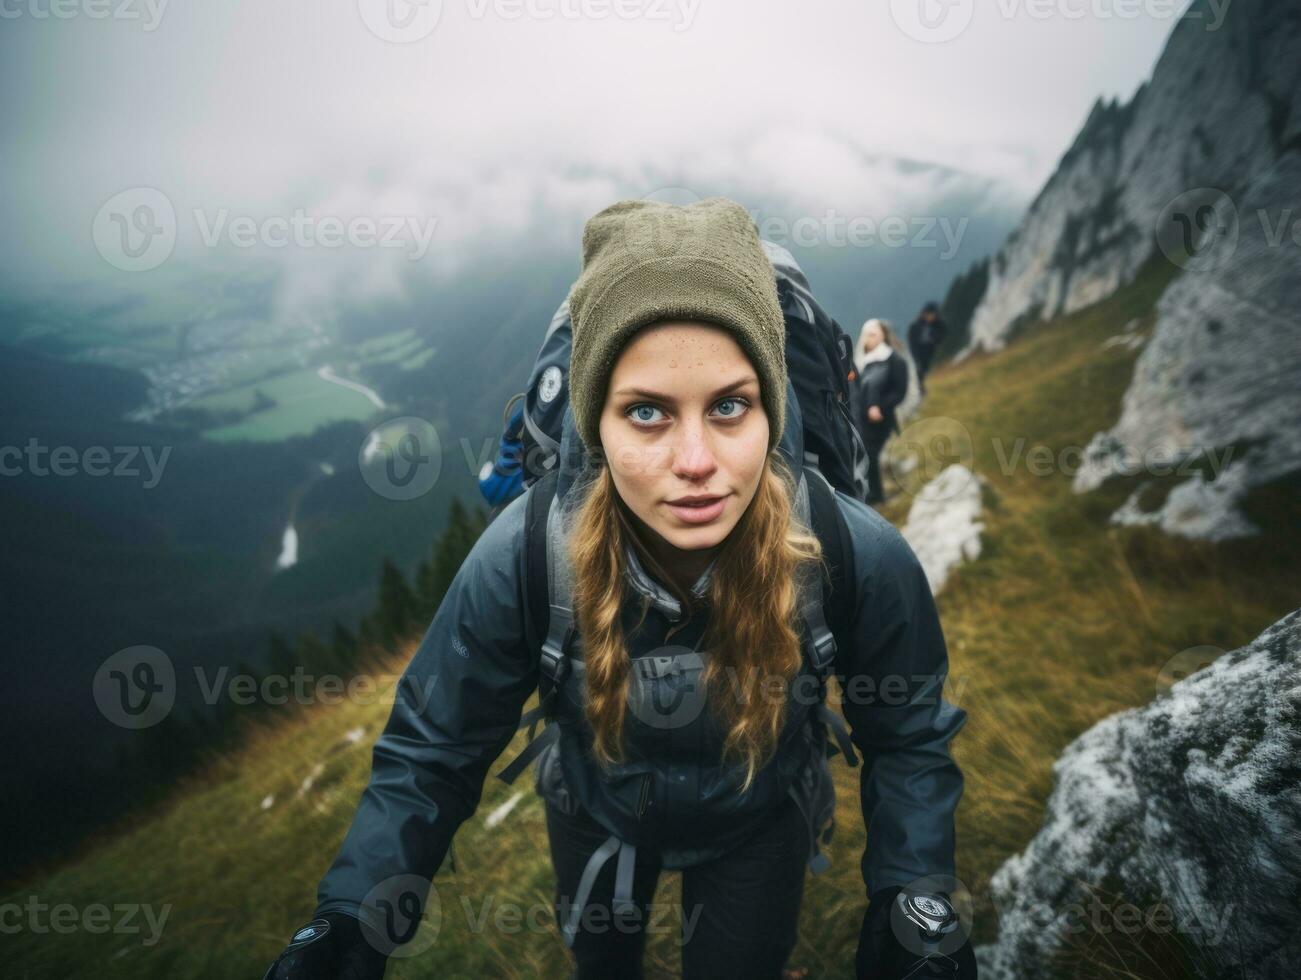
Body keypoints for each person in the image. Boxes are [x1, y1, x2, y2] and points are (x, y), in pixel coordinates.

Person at [263, 198, 975, 980]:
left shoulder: (848, 551)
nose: (696, 460)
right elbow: (433, 749)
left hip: (758, 823)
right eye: (645, 413)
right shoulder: (529, 555)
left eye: (730, 406)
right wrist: (351, 920)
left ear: (774, 410)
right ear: (592, 422)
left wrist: (912, 900)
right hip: (594, 816)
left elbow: (905, 733)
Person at [853, 319, 909, 505]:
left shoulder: (894, 359)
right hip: (862, 419)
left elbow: (900, 392)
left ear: (883, 335)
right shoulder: (864, 362)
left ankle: (876, 496)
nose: (869, 339)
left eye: (873, 334)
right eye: (866, 335)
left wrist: (880, 407)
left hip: (882, 419)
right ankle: (871, 493)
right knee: (865, 453)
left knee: (870, 453)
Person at [907, 301, 946, 394]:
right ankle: (922, 391)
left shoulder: (938, 325)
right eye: (930, 314)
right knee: (920, 373)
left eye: (934, 314)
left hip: (933, 354)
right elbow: (912, 343)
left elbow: (942, 336)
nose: (932, 316)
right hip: (919, 354)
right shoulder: (915, 326)